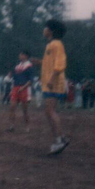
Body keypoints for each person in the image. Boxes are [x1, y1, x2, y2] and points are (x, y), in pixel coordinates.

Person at [31, 19, 70, 155]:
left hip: (53, 83)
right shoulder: (51, 45)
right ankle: (60, 138)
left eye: (45, 27)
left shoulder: (56, 44)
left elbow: (60, 64)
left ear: (51, 31)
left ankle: (60, 140)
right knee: (49, 111)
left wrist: (52, 80)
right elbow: (50, 63)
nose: (44, 30)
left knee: (50, 111)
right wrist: (39, 62)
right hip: (50, 83)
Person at [7, 50, 34, 132]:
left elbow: (30, 80)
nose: (20, 56)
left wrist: (23, 87)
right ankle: (11, 126)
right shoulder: (17, 66)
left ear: (25, 56)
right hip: (15, 88)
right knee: (12, 107)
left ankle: (27, 126)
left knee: (24, 110)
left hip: (24, 88)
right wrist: (12, 89)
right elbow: (13, 79)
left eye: (21, 55)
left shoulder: (29, 66)